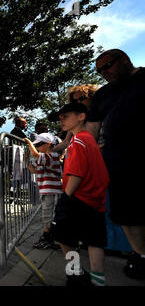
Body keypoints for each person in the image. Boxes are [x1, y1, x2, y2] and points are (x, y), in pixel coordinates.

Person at [86, 49, 145, 279]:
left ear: (124, 59)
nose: (103, 73)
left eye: (107, 66)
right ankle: (141, 255)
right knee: (126, 214)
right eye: (99, 71)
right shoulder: (103, 94)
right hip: (117, 161)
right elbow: (92, 129)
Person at [50, 103, 110, 286]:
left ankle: (75, 274)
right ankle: (98, 280)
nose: (61, 120)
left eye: (65, 116)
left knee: (62, 235)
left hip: (78, 197)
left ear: (81, 116)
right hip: (96, 199)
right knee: (95, 239)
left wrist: (65, 198)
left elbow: (76, 172)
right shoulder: (89, 139)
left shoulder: (78, 140)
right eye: (59, 117)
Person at [24, 133, 62, 250]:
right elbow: (34, 170)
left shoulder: (53, 156)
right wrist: (27, 162)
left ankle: (49, 239)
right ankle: (49, 238)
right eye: (36, 145)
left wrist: (29, 143)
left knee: (49, 215)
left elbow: (35, 155)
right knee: (47, 215)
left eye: (39, 144)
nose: (37, 147)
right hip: (45, 191)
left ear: (48, 144)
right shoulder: (43, 158)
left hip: (52, 191)